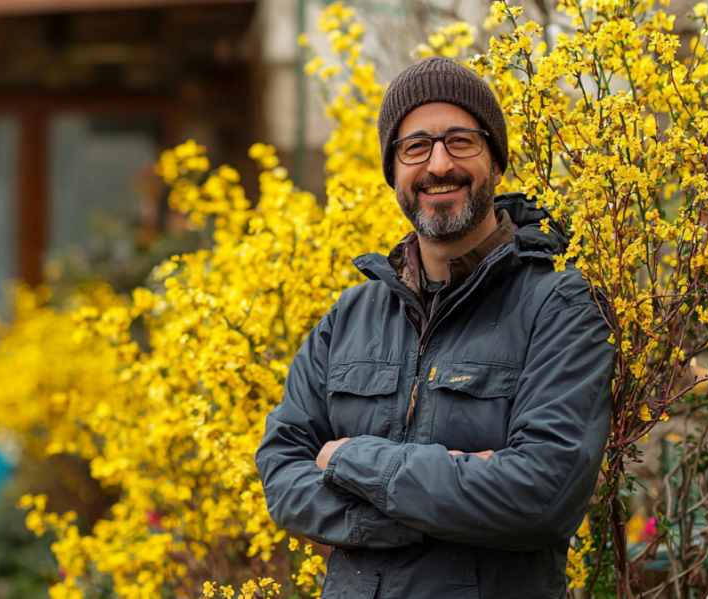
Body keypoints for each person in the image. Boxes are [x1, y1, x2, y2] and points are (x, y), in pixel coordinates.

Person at [255, 56, 614, 598]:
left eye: (461, 141)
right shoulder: (348, 318)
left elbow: (543, 494)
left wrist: (350, 460)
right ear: (394, 171)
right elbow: (283, 471)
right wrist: (418, 511)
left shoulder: (559, 304)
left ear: (495, 161)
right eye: (415, 147)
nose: (438, 165)